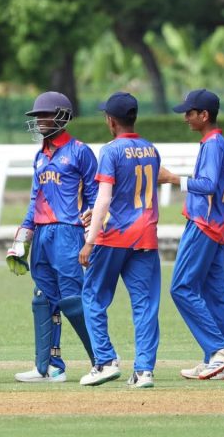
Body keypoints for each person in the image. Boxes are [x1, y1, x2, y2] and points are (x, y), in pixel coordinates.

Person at [7, 91, 98, 383]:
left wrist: (91, 234)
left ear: (63, 116)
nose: (40, 121)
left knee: (71, 299)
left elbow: (96, 196)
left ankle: (103, 360)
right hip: (43, 234)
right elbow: (35, 200)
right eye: (37, 116)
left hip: (69, 232)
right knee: (43, 299)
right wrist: (21, 241)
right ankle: (48, 367)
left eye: (46, 115)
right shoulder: (39, 156)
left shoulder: (80, 151)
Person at [78, 91, 161, 389]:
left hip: (113, 236)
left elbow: (104, 198)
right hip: (145, 235)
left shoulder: (110, 151)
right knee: (145, 305)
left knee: (93, 296)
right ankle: (144, 371)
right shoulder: (151, 149)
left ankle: (105, 361)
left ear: (111, 121)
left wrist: (90, 240)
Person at [158, 88, 224, 381]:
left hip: (204, 225)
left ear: (204, 115)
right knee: (214, 293)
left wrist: (172, 178)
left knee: (181, 287)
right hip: (216, 225)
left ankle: (219, 349)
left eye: (190, 113)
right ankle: (215, 362)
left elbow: (207, 185)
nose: (186, 118)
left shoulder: (213, 145)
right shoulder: (218, 143)